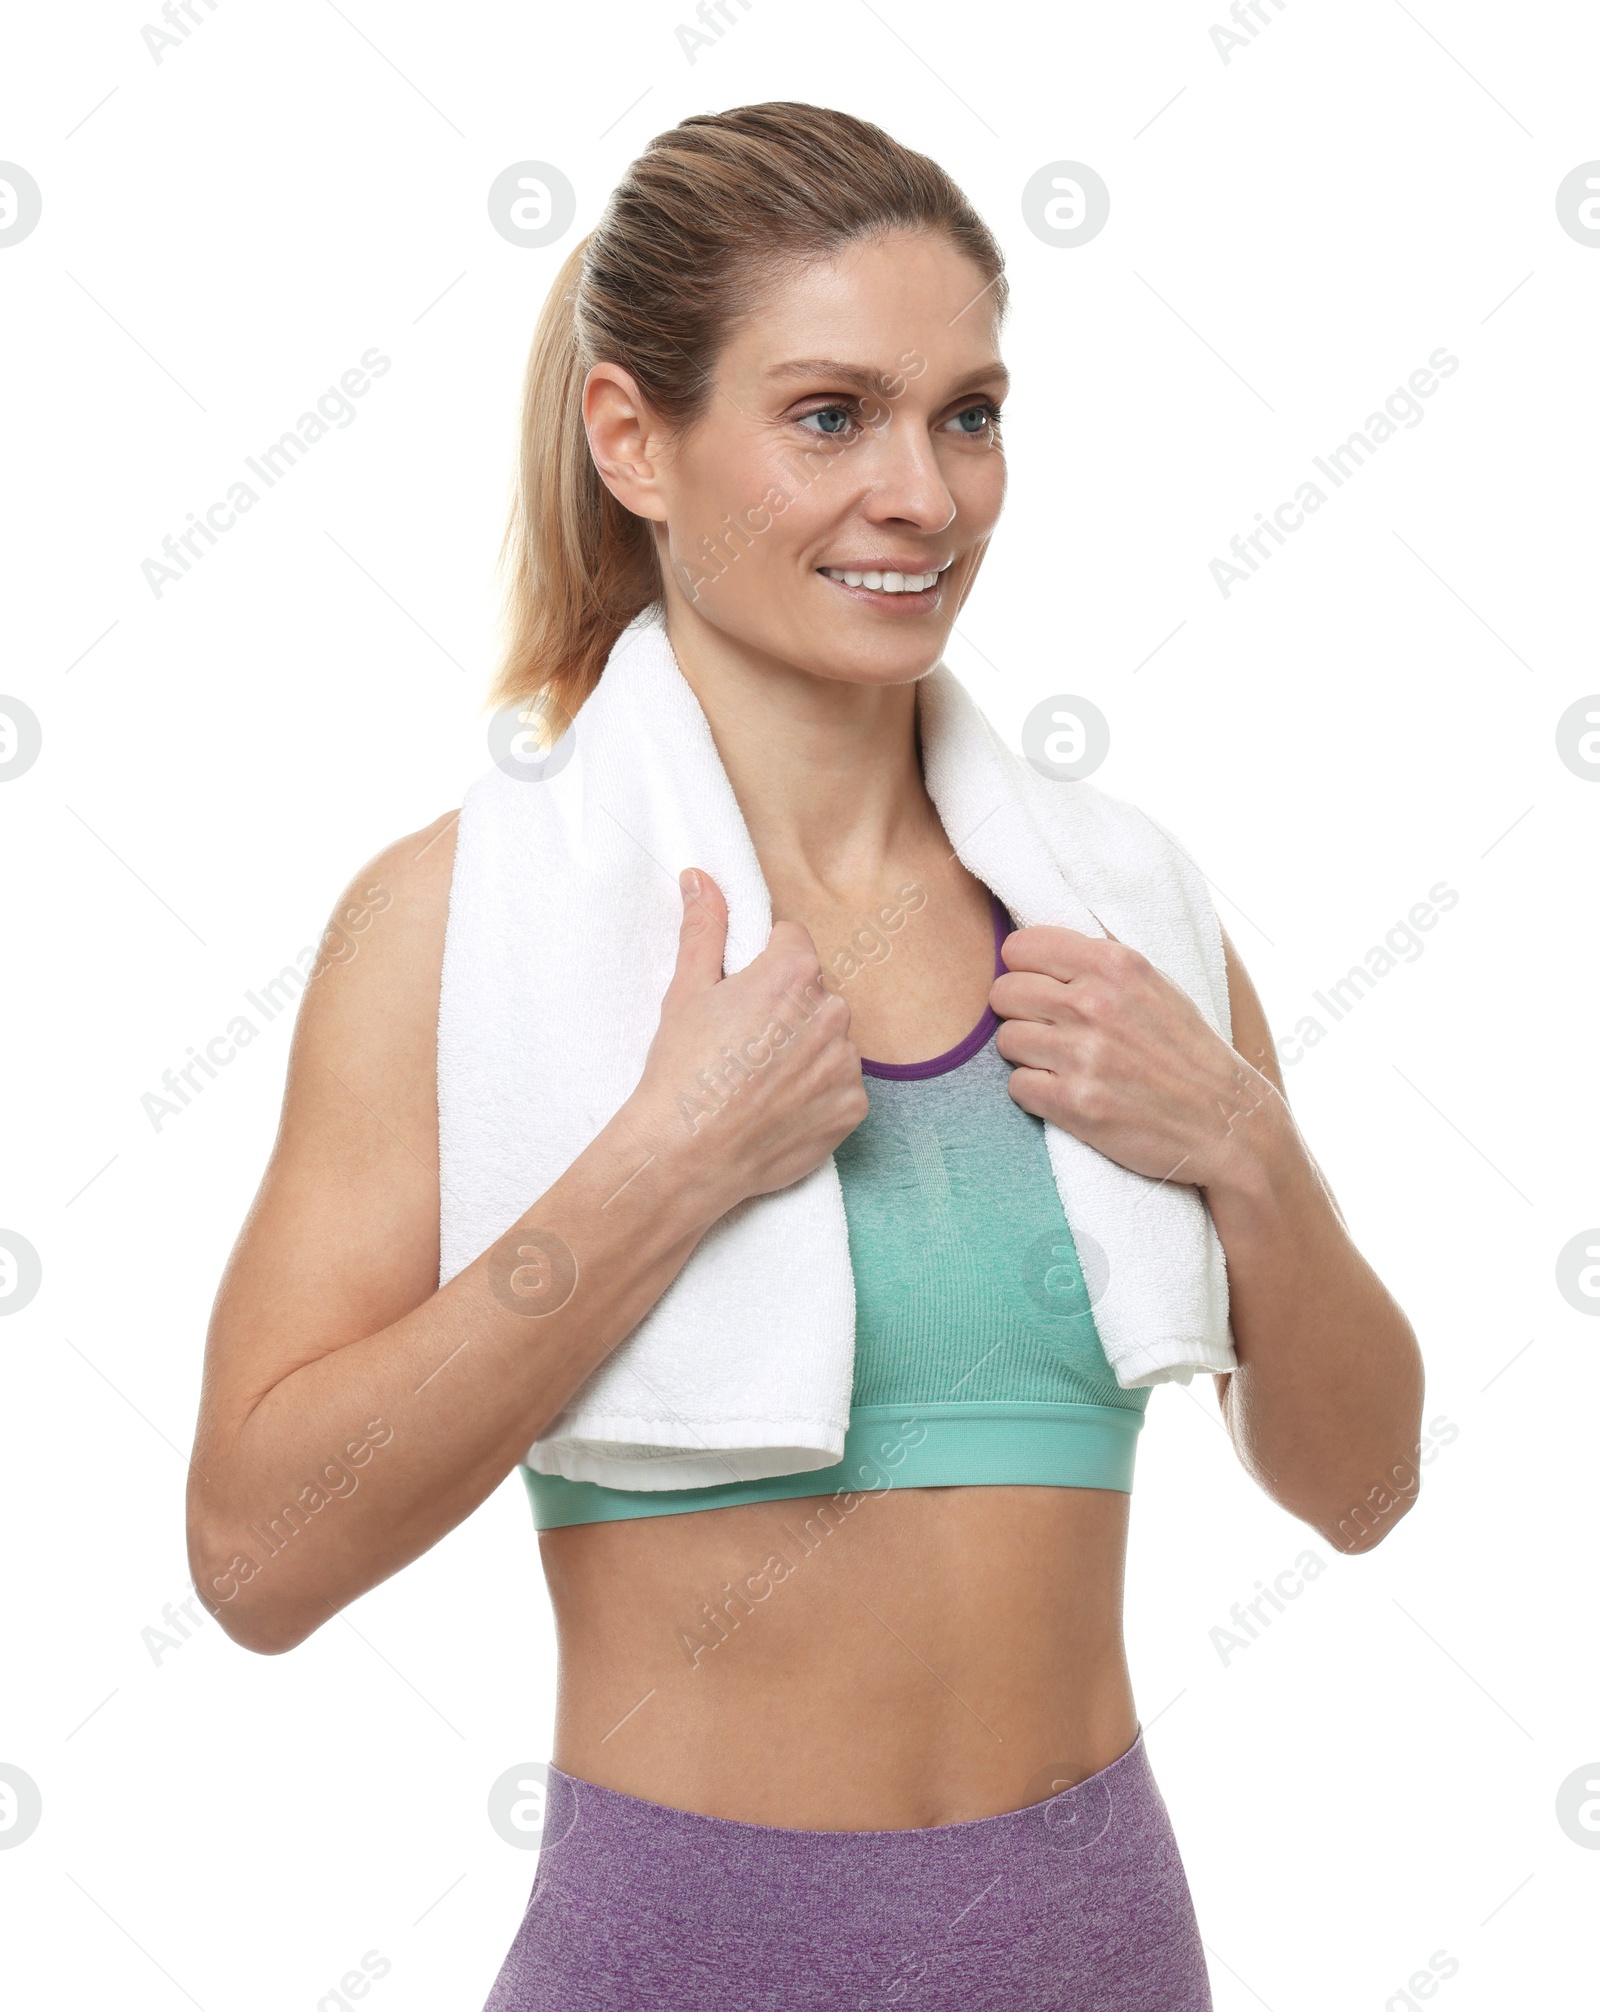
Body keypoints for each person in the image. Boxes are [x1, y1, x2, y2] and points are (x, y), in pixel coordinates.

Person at [187, 102, 1425, 2011]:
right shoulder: (455, 925)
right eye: (830, 415)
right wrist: (662, 1166)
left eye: (970, 414)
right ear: (635, 444)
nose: (923, 496)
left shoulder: (1114, 914)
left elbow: (1361, 1490)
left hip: (1109, 1962)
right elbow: (256, 1559)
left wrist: (1246, 1153)